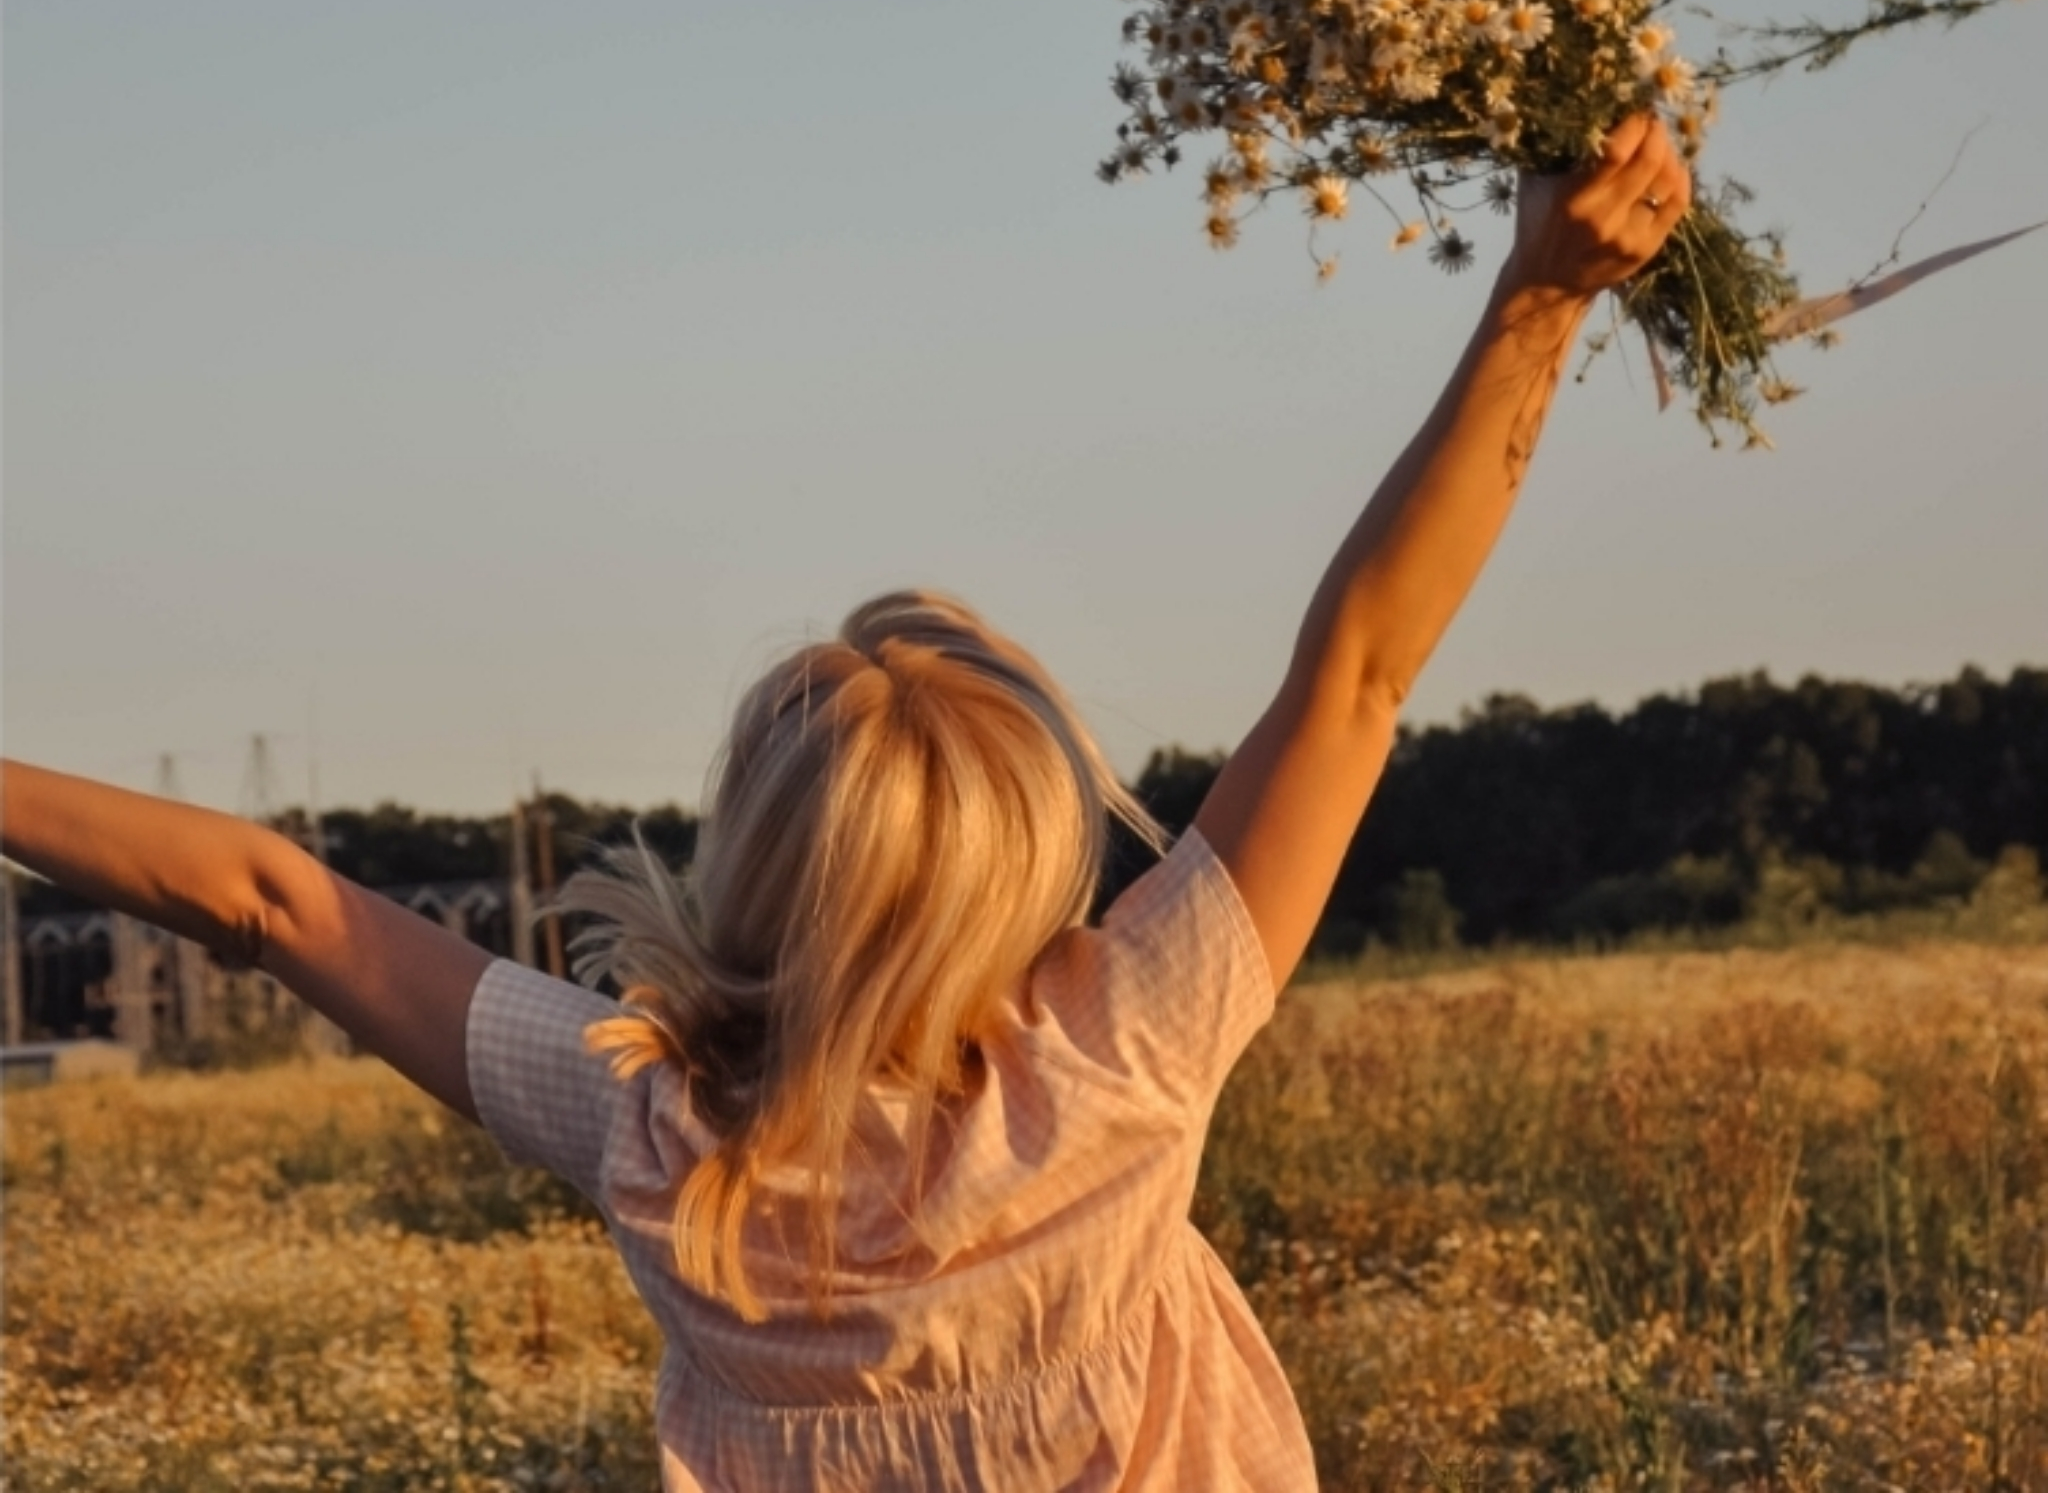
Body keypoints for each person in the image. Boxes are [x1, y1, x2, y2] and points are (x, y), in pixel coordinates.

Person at [1, 114, 1691, 1489]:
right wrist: (1543, 294)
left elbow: (272, 902)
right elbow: (1360, 674)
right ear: (1020, 867)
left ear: (763, 862)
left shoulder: (659, 1137)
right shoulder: (1124, 1050)